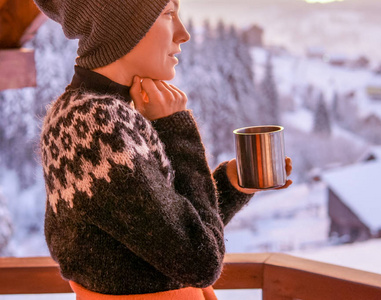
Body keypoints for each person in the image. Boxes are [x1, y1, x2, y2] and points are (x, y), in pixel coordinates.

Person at [35, 0, 293, 299]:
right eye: (167, 13)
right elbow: (200, 261)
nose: (183, 33)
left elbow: (161, 233)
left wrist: (230, 185)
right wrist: (176, 130)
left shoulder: (88, 111)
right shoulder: (97, 124)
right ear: (119, 27)